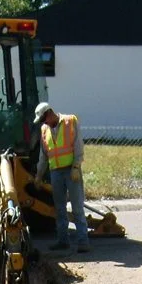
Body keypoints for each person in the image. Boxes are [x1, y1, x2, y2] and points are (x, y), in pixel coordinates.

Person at [33, 101, 90, 253]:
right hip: (56, 172)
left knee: (77, 207)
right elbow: (43, 156)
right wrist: (38, 176)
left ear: (50, 113)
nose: (44, 123)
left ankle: (83, 241)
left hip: (71, 171)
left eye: (44, 119)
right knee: (60, 209)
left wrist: (76, 166)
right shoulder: (45, 129)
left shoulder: (70, 121)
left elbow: (78, 146)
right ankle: (63, 241)